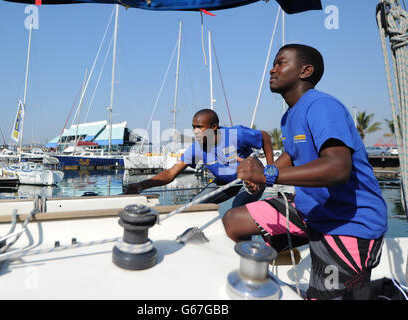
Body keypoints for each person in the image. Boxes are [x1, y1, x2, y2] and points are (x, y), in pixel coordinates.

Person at [222, 44, 388, 300]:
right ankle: (278, 258)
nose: (272, 69)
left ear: (305, 71)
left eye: (280, 63)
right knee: (234, 221)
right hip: (311, 209)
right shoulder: (290, 116)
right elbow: (292, 153)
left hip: (349, 223)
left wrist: (268, 176)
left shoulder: (322, 106)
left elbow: (337, 168)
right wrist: (264, 173)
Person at [125, 109, 274, 208]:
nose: (195, 131)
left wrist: (271, 167)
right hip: (224, 182)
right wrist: (141, 186)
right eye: (193, 127)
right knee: (194, 206)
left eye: (199, 127)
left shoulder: (236, 134)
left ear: (214, 127)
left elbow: (265, 137)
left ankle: (247, 248)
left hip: (251, 180)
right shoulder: (197, 148)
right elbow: (170, 173)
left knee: (237, 208)